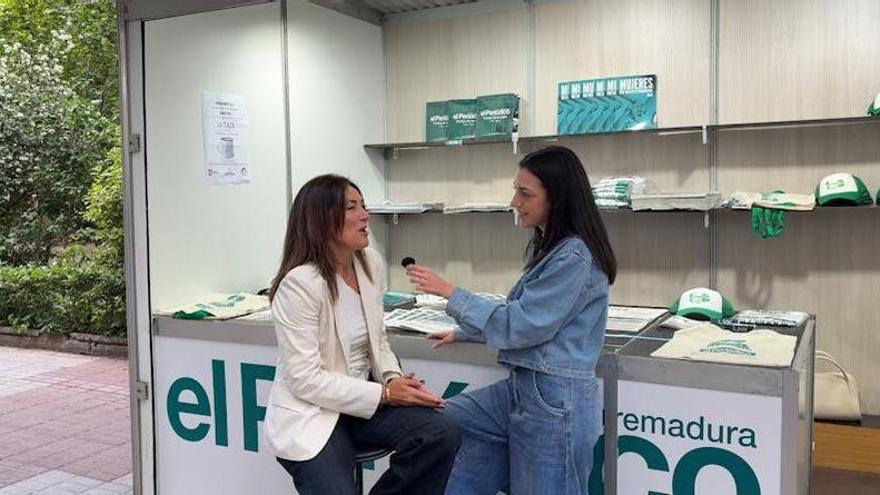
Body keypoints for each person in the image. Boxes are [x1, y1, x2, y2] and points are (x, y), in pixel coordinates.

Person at [406, 146, 616, 495]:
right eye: (515, 190)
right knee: (441, 420)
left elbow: (524, 324)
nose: (514, 201)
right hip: (528, 387)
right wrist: (464, 333)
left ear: (558, 198)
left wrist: (450, 292)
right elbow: (523, 315)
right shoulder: (554, 249)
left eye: (525, 193)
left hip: (555, 396)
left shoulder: (574, 258)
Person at [264, 174, 462, 495]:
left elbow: (378, 338)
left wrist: (392, 378)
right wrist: (383, 395)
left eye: (364, 206)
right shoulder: (299, 284)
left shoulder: (369, 262)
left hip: (361, 405)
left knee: (441, 433)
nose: (365, 215)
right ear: (321, 219)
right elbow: (305, 379)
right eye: (352, 208)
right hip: (313, 413)